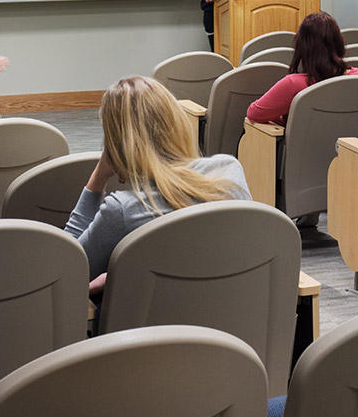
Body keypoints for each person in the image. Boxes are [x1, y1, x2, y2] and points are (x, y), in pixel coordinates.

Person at [65, 76, 251, 283]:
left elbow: (68, 269)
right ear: (176, 121)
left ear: (116, 144)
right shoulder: (228, 170)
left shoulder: (122, 210)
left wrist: (98, 178)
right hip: (233, 308)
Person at [246, 11, 358, 126]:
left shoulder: (293, 84)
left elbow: (254, 113)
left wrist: (287, 117)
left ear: (303, 47)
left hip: (305, 146)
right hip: (346, 146)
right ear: (339, 42)